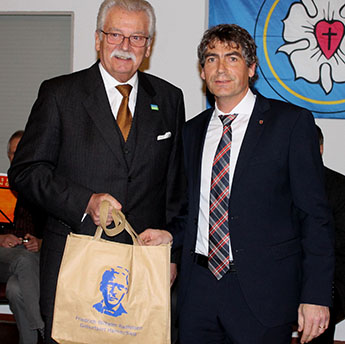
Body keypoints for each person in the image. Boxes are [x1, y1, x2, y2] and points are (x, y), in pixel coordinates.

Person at [8, 0, 185, 342]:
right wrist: (84, 201)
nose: (125, 46)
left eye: (136, 38)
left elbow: (176, 186)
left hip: (143, 267)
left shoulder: (169, 99)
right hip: (75, 261)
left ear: (148, 46)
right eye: (115, 34)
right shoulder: (60, 94)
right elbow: (26, 171)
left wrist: (171, 254)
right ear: (97, 39)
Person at [174, 24, 334, 344]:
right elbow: (187, 211)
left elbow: (315, 217)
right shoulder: (190, 132)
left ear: (251, 67)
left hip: (264, 295)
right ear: (202, 71)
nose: (220, 68)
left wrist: (316, 295)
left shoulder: (291, 124)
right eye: (211, 59)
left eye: (232, 58)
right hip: (198, 293)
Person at [0, 130, 44, 344]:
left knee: (15, 288)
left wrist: (41, 242)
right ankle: (44, 330)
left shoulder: (42, 188)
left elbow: (58, 233)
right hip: (4, 255)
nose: (14, 158)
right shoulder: (2, 187)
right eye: (11, 153)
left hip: (30, 258)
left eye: (19, 152)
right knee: (24, 260)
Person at [311, 126, 345, 343]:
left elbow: (341, 243)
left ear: (320, 149)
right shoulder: (273, 186)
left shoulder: (340, 187)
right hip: (281, 275)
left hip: (331, 276)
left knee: (320, 297)